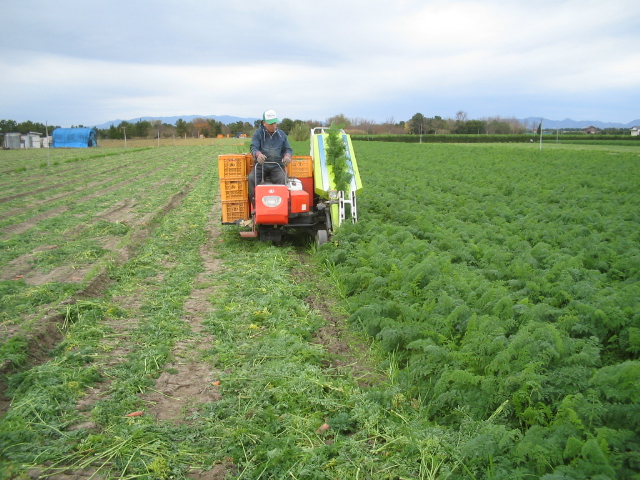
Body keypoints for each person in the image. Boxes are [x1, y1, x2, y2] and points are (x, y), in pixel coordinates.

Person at [248, 109, 293, 206]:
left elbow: (288, 149)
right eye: (271, 123)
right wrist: (258, 154)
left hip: (277, 165)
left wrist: (287, 156)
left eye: (275, 123)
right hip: (261, 165)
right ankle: (256, 206)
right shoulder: (258, 134)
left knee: (283, 179)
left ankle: (281, 206)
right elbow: (253, 147)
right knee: (251, 178)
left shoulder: (281, 134)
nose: (274, 125)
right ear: (264, 123)